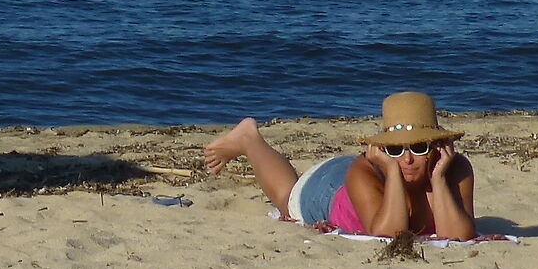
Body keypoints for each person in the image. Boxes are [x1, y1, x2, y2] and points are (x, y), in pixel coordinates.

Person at [200, 91, 477, 240]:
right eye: (395, 149)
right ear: (383, 151)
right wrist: (391, 171)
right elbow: (388, 232)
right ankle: (250, 139)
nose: (406, 159)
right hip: (333, 189)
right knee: (288, 198)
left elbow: (459, 235)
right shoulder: (370, 170)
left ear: (437, 148)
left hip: (366, 172)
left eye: (419, 147)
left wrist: (438, 179)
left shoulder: (455, 170)